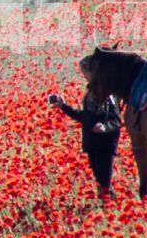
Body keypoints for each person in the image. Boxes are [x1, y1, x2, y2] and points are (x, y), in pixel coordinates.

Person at [48, 72, 123, 201]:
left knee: (104, 182)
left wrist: (105, 127)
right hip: (92, 144)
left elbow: (116, 120)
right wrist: (63, 106)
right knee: (100, 181)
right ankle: (107, 202)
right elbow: (84, 117)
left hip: (105, 144)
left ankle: (109, 204)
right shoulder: (89, 97)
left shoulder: (109, 98)